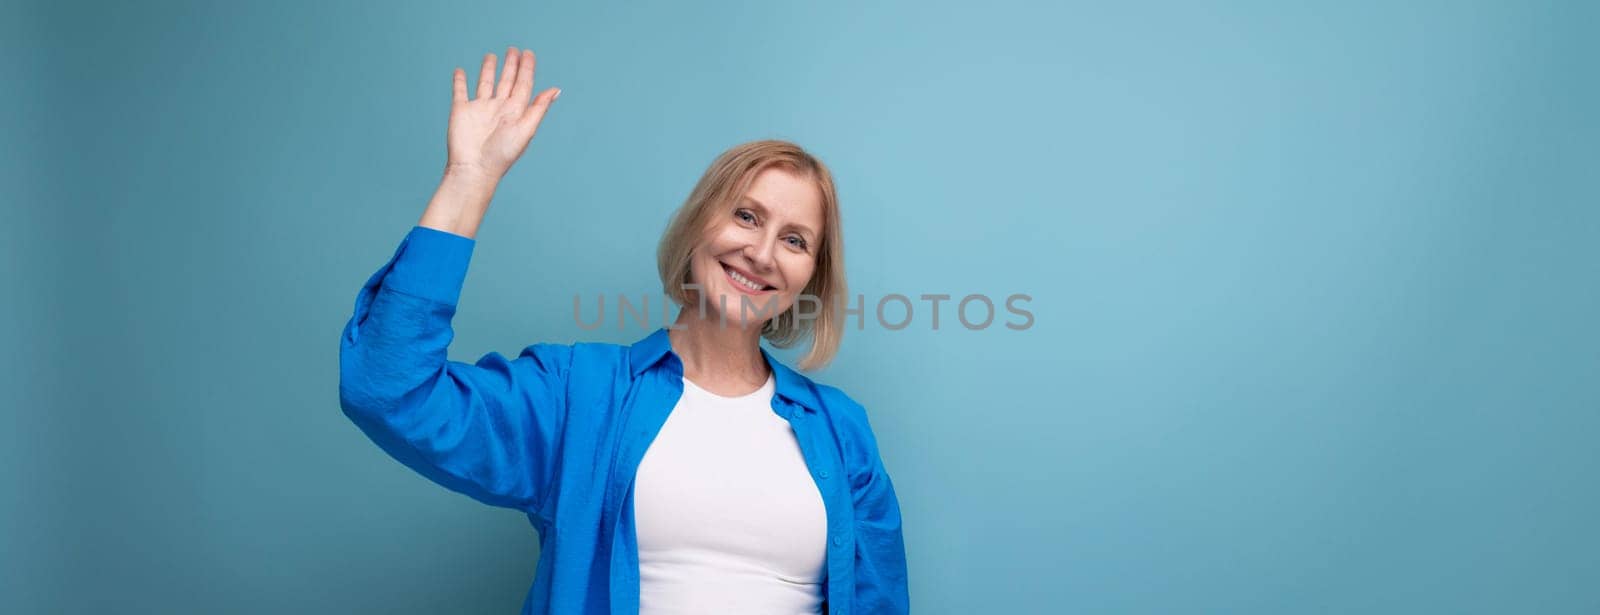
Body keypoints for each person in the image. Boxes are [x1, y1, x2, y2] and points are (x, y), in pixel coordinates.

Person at [338, 45, 909, 615]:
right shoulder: (579, 394)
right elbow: (388, 390)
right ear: (698, 224)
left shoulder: (842, 430)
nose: (761, 252)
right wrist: (470, 179)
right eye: (746, 216)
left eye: (794, 239)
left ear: (810, 276)